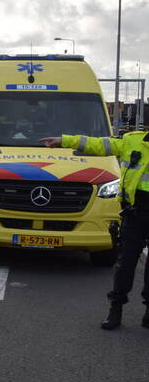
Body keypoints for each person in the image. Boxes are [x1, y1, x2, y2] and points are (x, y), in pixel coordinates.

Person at [41, 133, 147, 329]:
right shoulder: (133, 140)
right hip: (135, 213)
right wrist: (64, 141)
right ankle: (115, 310)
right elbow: (98, 144)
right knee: (125, 264)